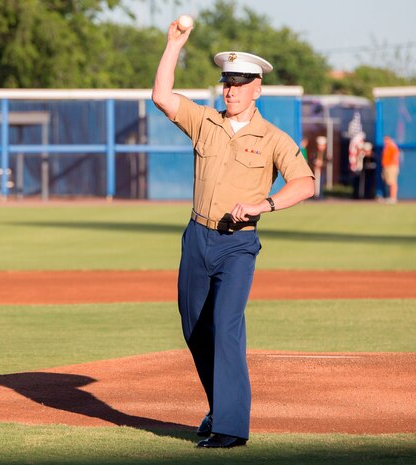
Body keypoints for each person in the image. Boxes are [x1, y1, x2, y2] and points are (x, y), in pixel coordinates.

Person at [151, 19, 314, 449]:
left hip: (237, 243)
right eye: (227, 81)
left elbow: (305, 182)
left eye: (240, 83)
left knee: (226, 326)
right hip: (197, 237)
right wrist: (174, 44)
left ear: (257, 88)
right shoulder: (206, 122)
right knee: (194, 329)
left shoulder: (274, 138)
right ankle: (216, 405)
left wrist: (265, 205)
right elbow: (161, 96)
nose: (230, 90)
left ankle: (230, 428)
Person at [381, 136, 400, 203]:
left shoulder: (392, 147)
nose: (385, 142)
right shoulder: (386, 147)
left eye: (386, 140)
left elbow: (395, 157)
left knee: (392, 182)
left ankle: (393, 198)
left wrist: (391, 164)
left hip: (391, 166)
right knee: (387, 182)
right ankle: (388, 197)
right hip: (386, 166)